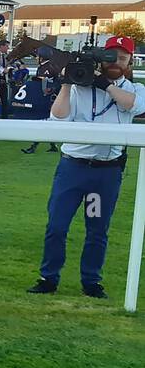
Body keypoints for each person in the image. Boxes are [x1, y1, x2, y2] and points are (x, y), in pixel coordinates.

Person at [28, 35, 145, 299]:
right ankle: (49, 277)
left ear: (129, 62)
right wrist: (67, 84)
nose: (115, 62)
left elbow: (133, 106)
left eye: (122, 58)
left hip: (105, 173)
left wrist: (105, 85)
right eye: (110, 56)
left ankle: (91, 280)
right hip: (73, 170)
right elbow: (58, 117)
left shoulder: (134, 89)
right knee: (57, 225)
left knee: (97, 228)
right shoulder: (81, 86)